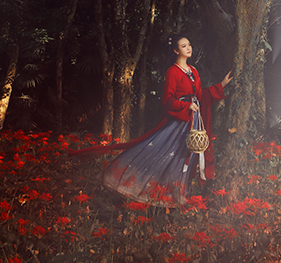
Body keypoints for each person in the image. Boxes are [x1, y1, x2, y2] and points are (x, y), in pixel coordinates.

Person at [95, 35, 232, 206]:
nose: (188, 48)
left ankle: (179, 195)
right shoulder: (173, 71)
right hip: (180, 120)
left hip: (194, 120)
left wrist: (222, 85)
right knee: (168, 154)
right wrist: (186, 106)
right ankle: (145, 189)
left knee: (186, 157)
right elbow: (167, 99)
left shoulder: (193, 70)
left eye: (189, 44)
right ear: (176, 50)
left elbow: (200, 95)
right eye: (183, 46)